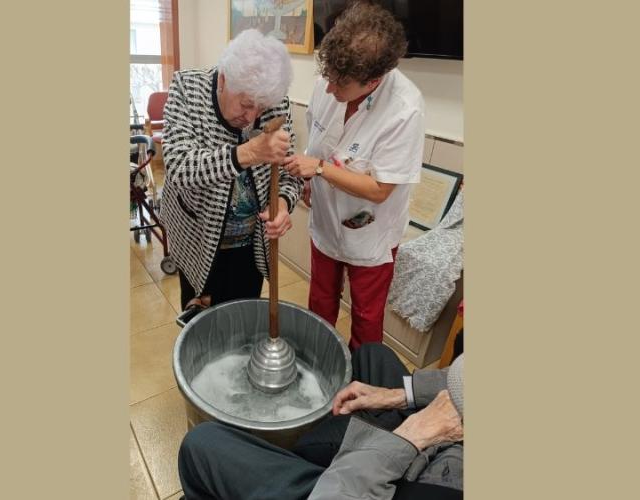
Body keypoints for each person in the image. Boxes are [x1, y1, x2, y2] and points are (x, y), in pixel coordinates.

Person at [282, 1, 425, 349]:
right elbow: (317, 138)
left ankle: (361, 387)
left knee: (366, 318)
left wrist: (319, 169)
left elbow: (379, 189)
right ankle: (317, 363)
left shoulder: (405, 109)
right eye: (328, 78)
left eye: (340, 84)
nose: (329, 89)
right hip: (327, 222)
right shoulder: (330, 81)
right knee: (320, 303)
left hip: (371, 235)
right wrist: (308, 176)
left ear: (373, 81)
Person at [178, 345, 464, 500]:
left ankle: (306, 463)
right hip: (443, 441)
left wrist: (411, 437)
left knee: (201, 444)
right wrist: (399, 396)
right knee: (372, 354)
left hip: (391, 484)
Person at [157, 29, 303, 325]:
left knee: (243, 321)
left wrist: (285, 203)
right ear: (223, 79)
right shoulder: (188, 87)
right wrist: (249, 152)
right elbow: (179, 165)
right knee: (202, 327)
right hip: (197, 236)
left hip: (250, 244)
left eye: (260, 108)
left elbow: (291, 171)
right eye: (246, 104)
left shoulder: (275, 102)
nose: (251, 117)